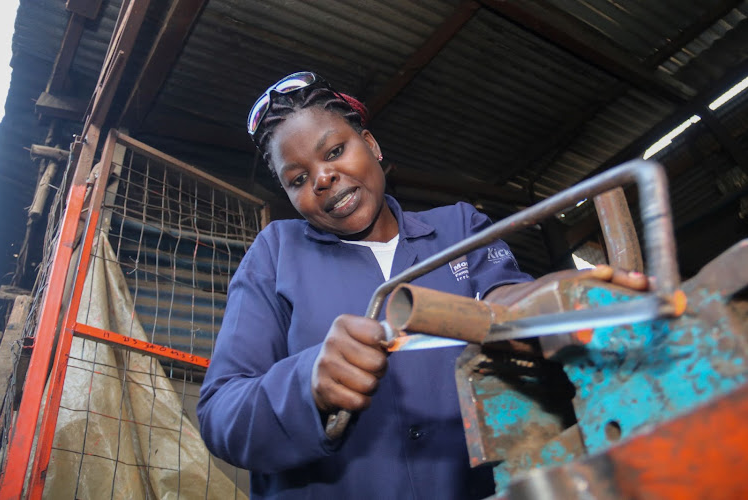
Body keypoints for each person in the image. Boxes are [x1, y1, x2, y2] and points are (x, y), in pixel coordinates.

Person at [197, 71, 647, 499]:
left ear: (370, 144)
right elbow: (222, 416)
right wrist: (307, 385)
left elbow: (502, 296)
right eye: (297, 179)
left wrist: (553, 298)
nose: (321, 178)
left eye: (334, 152)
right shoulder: (276, 254)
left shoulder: (458, 227)